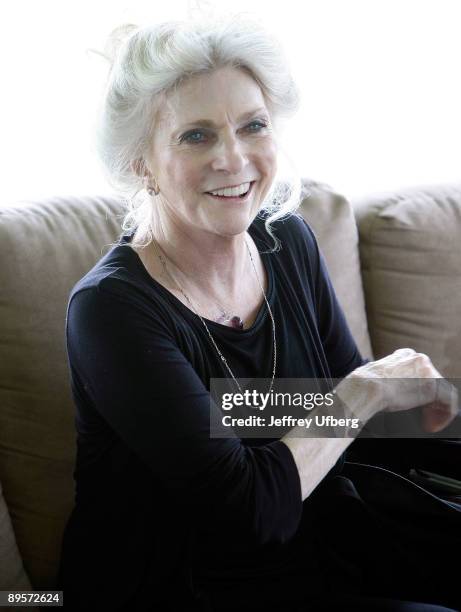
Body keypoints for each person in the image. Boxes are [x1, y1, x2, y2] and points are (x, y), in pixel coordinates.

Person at [56, 12, 461, 612]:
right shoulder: (111, 311)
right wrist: (364, 393)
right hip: (177, 594)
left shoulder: (286, 241)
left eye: (253, 126)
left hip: (316, 565)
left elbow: (346, 428)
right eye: (197, 135)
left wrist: (431, 410)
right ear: (141, 161)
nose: (235, 158)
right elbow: (248, 512)